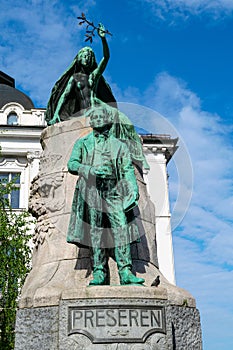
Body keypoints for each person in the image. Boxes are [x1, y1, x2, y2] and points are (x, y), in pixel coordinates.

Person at [67, 105, 145, 286]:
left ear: (108, 120)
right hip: (92, 190)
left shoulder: (120, 146)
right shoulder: (83, 143)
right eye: (93, 117)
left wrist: (133, 189)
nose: (96, 119)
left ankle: (125, 271)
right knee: (95, 231)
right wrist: (90, 170)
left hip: (114, 190)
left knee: (121, 228)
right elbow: (72, 164)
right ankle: (99, 272)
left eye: (101, 116)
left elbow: (127, 169)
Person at [45, 23, 116, 125]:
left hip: (95, 111)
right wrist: (56, 114)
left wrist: (103, 39)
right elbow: (64, 96)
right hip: (82, 113)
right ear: (79, 58)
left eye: (89, 56)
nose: (86, 58)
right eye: (84, 55)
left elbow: (106, 57)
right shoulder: (75, 78)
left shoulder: (93, 76)